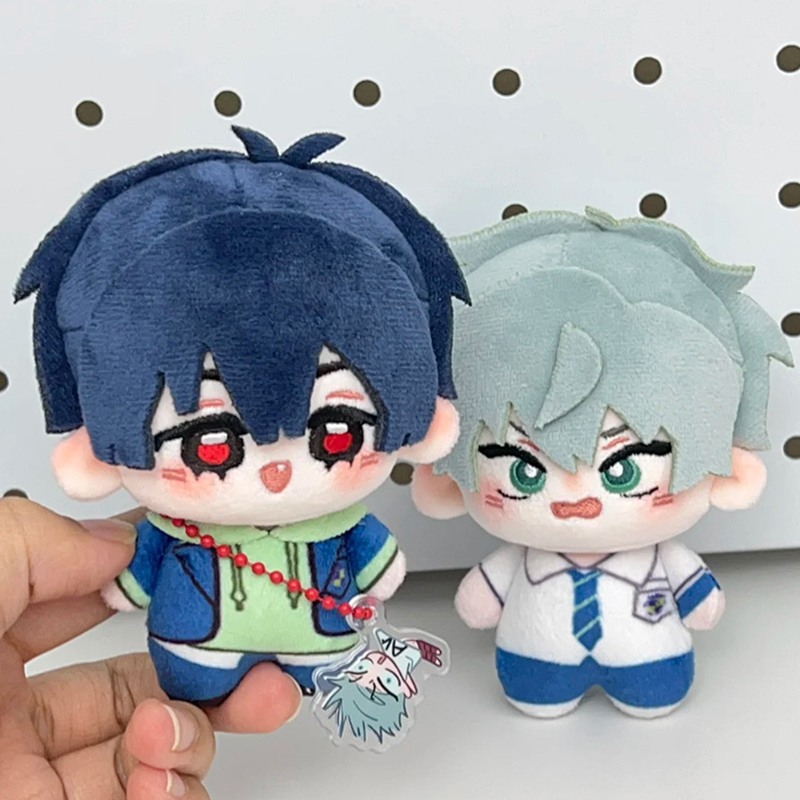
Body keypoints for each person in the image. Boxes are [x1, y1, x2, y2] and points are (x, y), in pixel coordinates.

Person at [15, 126, 466, 705]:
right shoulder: (172, 530)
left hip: (324, 640)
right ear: (96, 449)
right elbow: (133, 578)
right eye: (209, 443)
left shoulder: (343, 526)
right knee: (193, 692)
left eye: (335, 432)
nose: (276, 472)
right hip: (195, 643)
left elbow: (379, 562)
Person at [412, 208, 791, 718]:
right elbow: (479, 602)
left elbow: (701, 602)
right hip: (536, 659)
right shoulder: (518, 559)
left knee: (653, 691)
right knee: (537, 694)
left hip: (650, 660)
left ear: (729, 472)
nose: (577, 500)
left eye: (623, 470)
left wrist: (699, 598)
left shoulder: (661, 556)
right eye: (525, 471)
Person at [0, 498, 301, 799]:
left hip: (204, 647)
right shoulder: (170, 525)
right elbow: (136, 570)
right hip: (190, 650)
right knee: (175, 724)